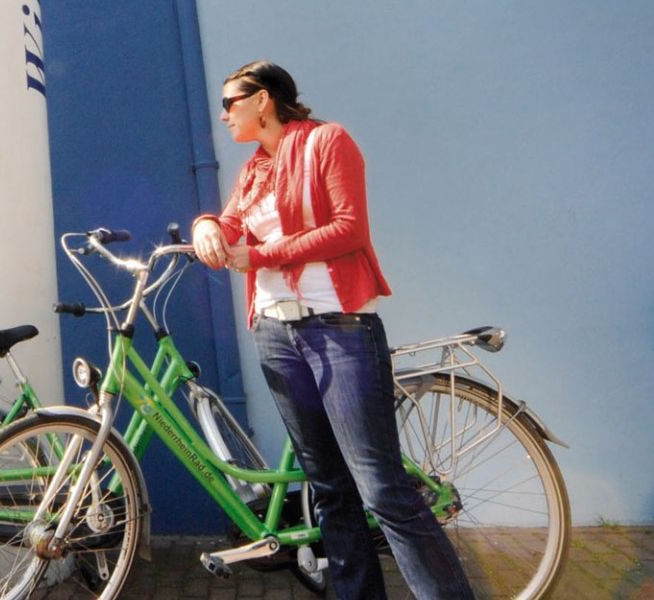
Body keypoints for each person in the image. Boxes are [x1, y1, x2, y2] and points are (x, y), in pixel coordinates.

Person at [191, 60, 474, 600]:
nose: (224, 114)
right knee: (329, 491)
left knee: (383, 490)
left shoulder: (326, 142)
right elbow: (229, 223)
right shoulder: (255, 171)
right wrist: (208, 226)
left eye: (231, 102)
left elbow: (348, 228)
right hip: (276, 334)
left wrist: (262, 255)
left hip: (339, 331)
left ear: (263, 100)